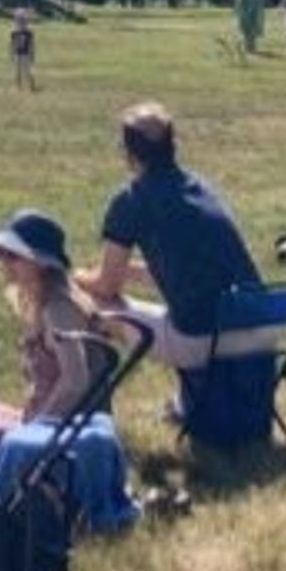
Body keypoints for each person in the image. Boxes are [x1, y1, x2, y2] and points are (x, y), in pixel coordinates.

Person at [85, 102, 266, 380]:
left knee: (87, 302)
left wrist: (78, 278)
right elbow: (193, 268)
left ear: (130, 153)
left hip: (200, 339)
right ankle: (194, 402)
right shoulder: (200, 188)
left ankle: (73, 402)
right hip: (256, 334)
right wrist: (131, 271)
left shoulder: (132, 199)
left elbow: (107, 287)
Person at [8, 7, 36, 91]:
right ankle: (18, 87)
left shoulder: (29, 31)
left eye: (22, 19)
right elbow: (11, 44)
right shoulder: (14, 31)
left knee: (28, 71)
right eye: (18, 18)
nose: (20, 21)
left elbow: (32, 44)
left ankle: (31, 86)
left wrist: (32, 54)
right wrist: (11, 54)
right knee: (17, 72)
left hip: (26, 54)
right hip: (17, 54)